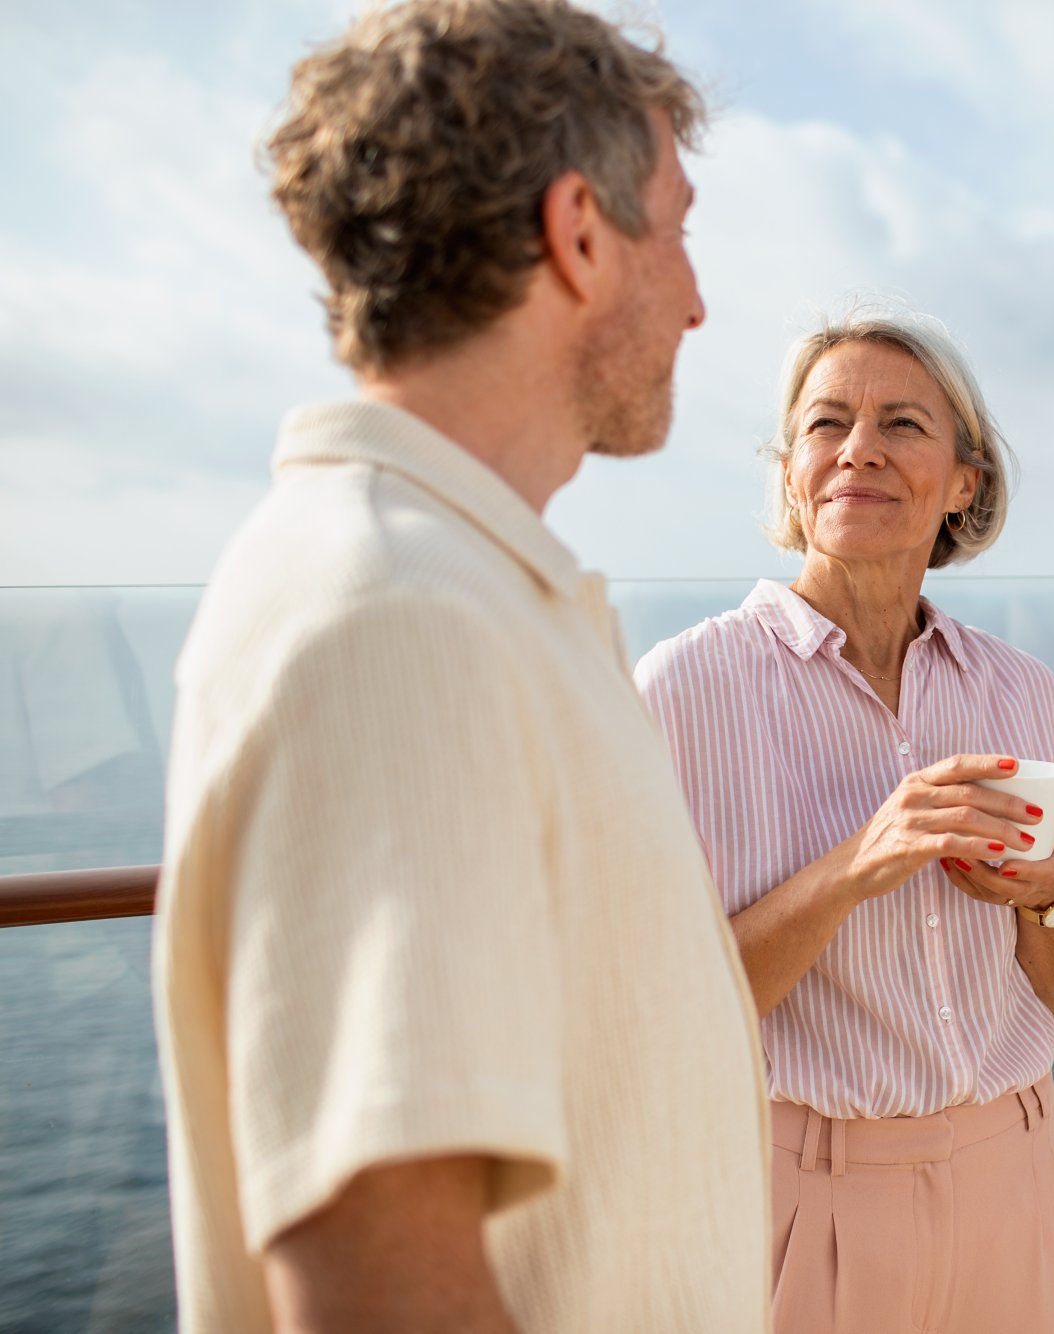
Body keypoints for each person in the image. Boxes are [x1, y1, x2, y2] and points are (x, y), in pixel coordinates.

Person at [150, 3, 769, 1329]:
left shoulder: (457, 590)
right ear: (581, 234)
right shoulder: (395, 620)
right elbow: (380, 1284)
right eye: (680, 225)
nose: (701, 299)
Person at [635, 307, 1054, 1334]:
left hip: (1015, 1171)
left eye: (902, 424)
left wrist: (1048, 894)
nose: (858, 450)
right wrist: (855, 864)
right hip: (806, 1196)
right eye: (826, 422)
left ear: (964, 481)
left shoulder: (1029, 698)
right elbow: (663, 1016)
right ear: (790, 469)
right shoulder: (679, 691)